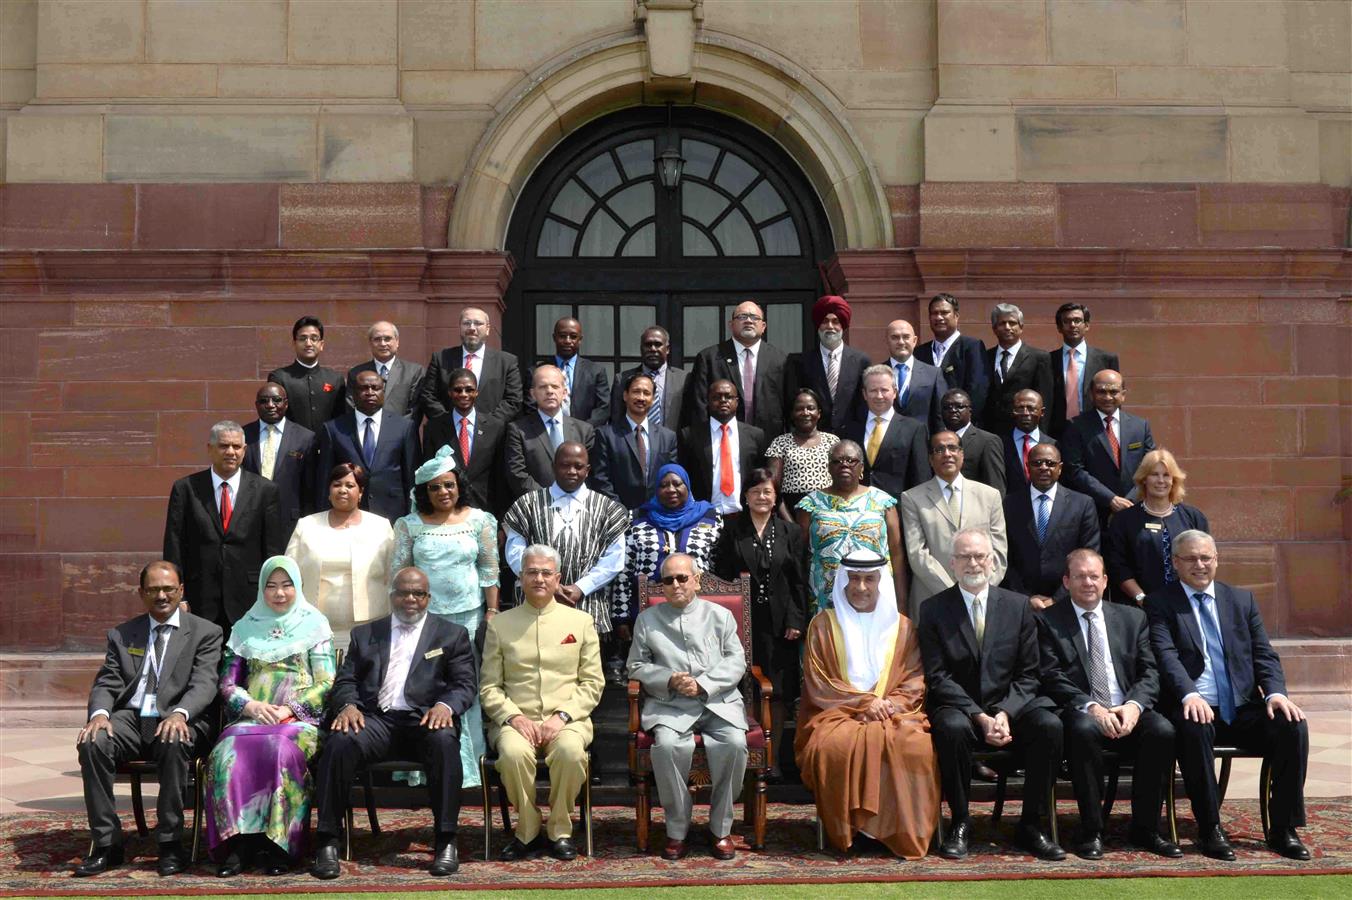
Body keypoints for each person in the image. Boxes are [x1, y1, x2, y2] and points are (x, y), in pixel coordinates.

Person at [1145, 530, 1311, 862]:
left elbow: (1263, 655)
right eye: (1191, 558)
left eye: (1206, 557)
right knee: (1194, 727)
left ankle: (1283, 829)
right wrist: (1189, 694)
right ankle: (1210, 829)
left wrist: (1276, 694)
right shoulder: (1160, 603)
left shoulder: (1241, 600)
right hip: (1194, 704)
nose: (1200, 565)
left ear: (1217, 560)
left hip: (1242, 706)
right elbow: (1166, 657)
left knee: (1293, 725)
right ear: (1176, 563)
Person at [310, 567, 478, 879]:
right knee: (340, 740)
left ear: (428, 598)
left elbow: (465, 685)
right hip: (376, 721)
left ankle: (445, 840)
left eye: (419, 593)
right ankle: (327, 841)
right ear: (392, 596)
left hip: (424, 719)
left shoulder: (451, 635)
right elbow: (345, 680)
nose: (411, 599)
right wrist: (347, 705)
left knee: (444, 742)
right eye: (404, 592)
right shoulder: (366, 634)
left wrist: (446, 706)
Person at [918, 529, 1064, 862]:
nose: (973, 563)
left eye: (980, 556)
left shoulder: (1018, 607)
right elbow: (937, 677)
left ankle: (1032, 824)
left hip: (1010, 706)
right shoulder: (933, 610)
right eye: (965, 557)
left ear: (992, 560)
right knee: (951, 728)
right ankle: (960, 822)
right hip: (960, 707)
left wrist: (1005, 713)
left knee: (1049, 725)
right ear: (952, 563)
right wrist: (980, 717)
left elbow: (1030, 674)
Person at [74, 561, 223, 878]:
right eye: (153, 589)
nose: (162, 596)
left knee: (172, 737)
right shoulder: (124, 634)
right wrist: (99, 715)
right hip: (133, 717)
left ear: (180, 590)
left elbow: (204, 684)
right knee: (94, 741)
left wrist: (181, 713)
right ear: (141, 593)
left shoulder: (205, 632)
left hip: (183, 717)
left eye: (169, 589)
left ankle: (169, 843)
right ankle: (106, 843)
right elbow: (107, 682)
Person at [1037, 549, 1180, 860]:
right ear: (1066, 581)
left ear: (1104, 581)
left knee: (1162, 730)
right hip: (1082, 711)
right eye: (1079, 576)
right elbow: (1051, 676)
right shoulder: (1048, 621)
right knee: (1083, 730)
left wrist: (1134, 706)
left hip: (1126, 708)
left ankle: (1146, 828)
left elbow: (1149, 671)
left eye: (1093, 576)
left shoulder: (1133, 618)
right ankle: (1091, 830)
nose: (1087, 582)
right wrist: (1092, 707)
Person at [796, 551, 940, 859]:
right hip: (835, 715)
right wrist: (865, 703)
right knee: (836, 747)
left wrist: (887, 705)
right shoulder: (822, 625)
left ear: (881, 582)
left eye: (869, 579)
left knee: (915, 748)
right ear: (843, 582)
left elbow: (915, 680)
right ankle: (854, 831)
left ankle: (896, 832)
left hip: (894, 713)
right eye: (854, 579)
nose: (861, 587)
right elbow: (820, 683)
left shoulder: (903, 627)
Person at [205, 556, 335, 877]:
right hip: (251, 720)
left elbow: (328, 682)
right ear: (262, 589)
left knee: (279, 749)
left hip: (298, 722)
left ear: (298, 587)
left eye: (287, 585)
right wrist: (251, 706)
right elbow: (227, 682)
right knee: (225, 753)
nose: (279, 593)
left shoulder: (314, 625)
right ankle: (238, 844)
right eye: (271, 586)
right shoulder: (244, 628)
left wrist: (290, 708)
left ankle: (279, 845)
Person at [480, 544, 605, 861]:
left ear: (558, 578)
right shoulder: (500, 624)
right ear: (520, 577)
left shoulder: (580, 622)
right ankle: (528, 828)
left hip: (567, 719)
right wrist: (513, 717)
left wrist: (562, 716)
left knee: (570, 752)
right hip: (514, 720)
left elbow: (593, 682)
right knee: (511, 754)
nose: (539, 578)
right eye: (531, 572)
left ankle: (560, 829)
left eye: (546, 573)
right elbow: (490, 686)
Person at [628, 552, 749, 861]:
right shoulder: (647, 620)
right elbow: (636, 666)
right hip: (671, 704)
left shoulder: (719, 615)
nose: (676, 584)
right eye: (668, 580)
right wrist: (668, 679)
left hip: (717, 701)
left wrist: (704, 684)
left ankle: (720, 828)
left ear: (697, 580)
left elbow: (737, 661)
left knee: (735, 743)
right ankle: (677, 829)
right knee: (667, 747)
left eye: (683, 578)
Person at [391, 446, 500, 783]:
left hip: (467, 619)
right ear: (424, 492)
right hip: (422, 621)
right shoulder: (409, 525)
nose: (443, 492)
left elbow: (489, 570)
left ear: (459, 485)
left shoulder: (480, 520)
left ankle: (467, 769)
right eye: (435, 487)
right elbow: (399, 573)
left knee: (462, 687)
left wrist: (492, 611)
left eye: (449, 485)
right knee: (426, 688)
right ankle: (422, 771)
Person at [711, 469, 809, 778]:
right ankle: (747, 756)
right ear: (746, 496)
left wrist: (796, 619)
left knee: (777, 692)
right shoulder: (731, 530)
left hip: (780, 625)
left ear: (775, 496)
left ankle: (772, 759)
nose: (762, 497)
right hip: (741, 624)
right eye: (756, 492)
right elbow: (722, 577)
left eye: (767, 492)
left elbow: (798, 581)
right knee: (745, 687)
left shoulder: (790, 532)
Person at [164, 420, 285, 630]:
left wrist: (271, 593)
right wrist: (178, 596)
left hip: (249, 598)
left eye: (236, 446)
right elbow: (174, 545)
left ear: (245, 450)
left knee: (243, 662)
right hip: (199, 597)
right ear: (210, 449)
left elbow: (272, 550)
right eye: (223, 446)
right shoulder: (186, 489)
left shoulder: (266, 491)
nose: (231, 452)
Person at [501, 442, 628, 639]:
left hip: (586, 605)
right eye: (564, 465)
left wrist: (581, 588)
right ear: (554, 466)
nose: (571, 471)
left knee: (585, 667)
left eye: (578, 466)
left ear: (587, 471)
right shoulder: (527, 504)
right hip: (535, 604)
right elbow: (515, 552)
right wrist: (547, 584)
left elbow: (615, 558)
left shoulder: (608, 509)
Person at [611, 463, 722, 679]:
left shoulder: (710, 516)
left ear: (687, 486)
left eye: (677, 483)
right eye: (663, 485)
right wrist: (621, 616)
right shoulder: (637, 518)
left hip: (697, 611)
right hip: (647, 613)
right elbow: (624, 570)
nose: (670, 489)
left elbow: (718, 564)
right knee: (655, 668)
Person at [285, 463, 394, 648]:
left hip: (370, 628)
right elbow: (287, 574)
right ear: (329, 491)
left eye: (350, 486)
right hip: (315, 628)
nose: (342, 490)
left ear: (361, 492)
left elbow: (394, 574)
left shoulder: (380, 526)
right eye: (337, 485)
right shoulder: (307, 525)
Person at [899, 431, 1008, 615]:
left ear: (962, 455)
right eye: (939, 449)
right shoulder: (912, 498)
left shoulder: (990, 496)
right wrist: (955, 595)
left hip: (981, 600)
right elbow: (917, 553)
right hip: (932, 599)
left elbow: (998, 551)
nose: (947, 454)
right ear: (930, 459)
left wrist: (979, 589)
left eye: (952, 448)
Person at [796, 440, 907, 613]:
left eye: (851, 460)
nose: (844, 465)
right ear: (829, 468)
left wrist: (902, 604)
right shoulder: (811, 504)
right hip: (826, 599)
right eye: (837, 461)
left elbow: (897, 555)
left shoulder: (882, 502)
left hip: (875, 597)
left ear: (861, 467)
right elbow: (799, 556)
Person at [1106, 448, 1209, 605]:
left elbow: (1205, 561)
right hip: (1139, 608)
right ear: (1144, 479)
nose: (1161, 480)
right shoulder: (1124, 520)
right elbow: (1117, 566)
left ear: (1174, 480)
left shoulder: (1193, 517)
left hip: (1187, 606)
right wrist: (1142, 598)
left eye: (1166, 475)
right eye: (1154, 474)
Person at [1002, 444, 1100, 609]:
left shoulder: (1082, 504)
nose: (1043, 468)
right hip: (1021, 602)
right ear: (1027, 466)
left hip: (1068, 601)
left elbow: (1090, 555)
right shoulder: (1009, 504)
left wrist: (1057, 598)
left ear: (1060, 468)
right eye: (1037, 463)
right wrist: (1025, 598)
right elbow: (1005, 556)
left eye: (1050, 463)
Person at [316, 370, 420, 523]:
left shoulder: (404, 427)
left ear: (383, 392)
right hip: (347, 516)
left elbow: (411, 477)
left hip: (393, 514)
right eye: (363, 388)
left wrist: (412, 517)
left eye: (375, 388)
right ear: (352, 393)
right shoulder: (333, 429)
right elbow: (325, 478)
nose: (370, 392)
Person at [1061, 369, 1156, 532]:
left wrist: (1129, 500)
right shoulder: (1076, 426)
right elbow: (1075, 470)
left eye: (1114, 392)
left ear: (1123, 394)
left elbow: (1150, 466)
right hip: (1095, 512)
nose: (1107, 397)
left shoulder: (1140, 426)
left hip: (1135, 508)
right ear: (1091, 394)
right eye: (1101, 392)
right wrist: (1110, 499)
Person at [686, 300, 792, 438]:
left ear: (763, 326)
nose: (749, 321)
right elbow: (699, 405)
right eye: (742, 317)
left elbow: (788, 404)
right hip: (722, 439)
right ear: (731, 324)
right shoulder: (709, 358)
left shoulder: (780, 359)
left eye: (754, 317)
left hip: (769, 441)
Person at [420, 367, 510, 516]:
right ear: (449, 392)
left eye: (469, 390)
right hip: (447, 513)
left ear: (476, 392)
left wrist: (502, 520)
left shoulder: (496, 427)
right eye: (458, 390)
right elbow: (430, 474)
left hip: (486, 510)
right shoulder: (434, 427)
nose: (463, 394)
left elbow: (501, 477)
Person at [677, 379, 768, 518]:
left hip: (744, 516)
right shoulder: (690, 435)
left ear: (737, 402)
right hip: (703, 516)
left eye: (729, 397)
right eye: (717, 397)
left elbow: (761, 477)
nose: (723, 400)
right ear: (708, 401)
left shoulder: (756, 435)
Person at [505, 364, 596, 499]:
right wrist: (546, 499)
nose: (549, 391)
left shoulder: (584, 430)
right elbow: (517, 474)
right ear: (533, 394)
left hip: (577, 506)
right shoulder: (518, 430)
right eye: (542, 387)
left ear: (564, 392)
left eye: (555, 386)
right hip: (536, 506)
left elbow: (590, 472)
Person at [419, 306, 524, 422]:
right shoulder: (441, 358)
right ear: (460, 328)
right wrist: (449, 422)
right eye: (466, 323)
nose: (472, 328)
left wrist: (489, 425)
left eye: (478, 323)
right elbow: (428, 396)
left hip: (494, 435)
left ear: (488, 329)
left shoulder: (506, 362)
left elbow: (513, 400)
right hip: (448, 433)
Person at [592, 370, 677, 510]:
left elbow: (671, 477)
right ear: (625, 395)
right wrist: (620, 510)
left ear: (653, 398)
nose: (641, 397)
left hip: (658, 514)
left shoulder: (668, 437)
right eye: (636, 391)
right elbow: (601, 479)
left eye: (647, 393)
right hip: (617, 515)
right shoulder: (605, 434)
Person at [243, 382, 317, 541]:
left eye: (276, 400)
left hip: (291, 523)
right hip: (248, 522)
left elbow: (310, 488)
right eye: (264, 401)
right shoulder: (243, 435)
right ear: (256, 405)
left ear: (286, 403)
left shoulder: (305, 437)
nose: (270, 405)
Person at [847, 364, 929, 499]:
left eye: (884, 390)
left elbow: (921, 477)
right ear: (864, 394)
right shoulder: (851, 429)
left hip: (897, 510)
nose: (879, 396)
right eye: (873, 390)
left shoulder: (914, 429)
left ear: (894, 392)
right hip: (857, 510)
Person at [792, 295, 869, 436]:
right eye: (825, 321)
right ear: (818, 325)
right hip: (812, 440)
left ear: (843, 325)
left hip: (851, 439)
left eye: (836, 321)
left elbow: (864, 403)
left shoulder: (861, 361)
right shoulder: (800, 363)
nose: (830, 327)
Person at [912, 294, 988, 425]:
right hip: (926, 427)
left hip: (961, 426)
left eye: (944, 313)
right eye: (934, 313)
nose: (939, 317)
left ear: (956, 316)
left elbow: (978, 390)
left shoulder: (972, 347)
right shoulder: (919, 352)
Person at [764, 387, 840, 517]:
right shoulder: (780, 443)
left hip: (829, 512)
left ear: (819, 413)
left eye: (810, 408)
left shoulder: (833, 442)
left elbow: (841, 482)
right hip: (791, 512)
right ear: (792, 414)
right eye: (799, 409)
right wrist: (790, 524)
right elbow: (772, 487)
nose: (805, 413)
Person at [1048, 303, 1120, 438]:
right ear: (1059, 327)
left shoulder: (1106, 359)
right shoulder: (1047, 360)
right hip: (1058, 432)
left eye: (1077, 320)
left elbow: (1116, 399)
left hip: (1096, 429)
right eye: (1067, 321)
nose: (1073, 325)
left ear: (1087, 325)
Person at [982, 303, 1053, 437]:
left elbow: (1045, 399)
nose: (1007, 327)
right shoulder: (985, 356)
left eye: (1012, 323)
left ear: (1021, 327)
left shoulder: (1039, 357)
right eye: (1002, 323)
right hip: (990, 432)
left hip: (1024, 431)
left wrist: (1041, 436)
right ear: (994, 328)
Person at [267, 316, 346, 433]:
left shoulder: (335, 379)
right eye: (303, 338)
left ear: (321, 344)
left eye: (314, 338)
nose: (308, 343)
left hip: (327, 447)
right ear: (294, 343)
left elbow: (341, 418)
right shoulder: (279, 377)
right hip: (291, 447)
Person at [528, 316, 610, 427]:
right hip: (545, 434)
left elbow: (603, 408)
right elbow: (530, 405)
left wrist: (582, 432)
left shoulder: (595, 371)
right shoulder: (536, 372)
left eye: (573, 337)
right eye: (562, 336)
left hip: (586, 438)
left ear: (580, 340)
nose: (567, 341)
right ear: (554, 338)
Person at [609, 325, 687, 430]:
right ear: (641, 348)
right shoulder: (622, 379)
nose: (653, 349)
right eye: (648, 345)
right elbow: (616, 419)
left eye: (658, 344)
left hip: (674, 444)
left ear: (667, 349)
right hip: (635, 442)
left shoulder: (684, 379)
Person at [346, 320, 426, 419]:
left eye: (388, 339)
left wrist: (397, 431)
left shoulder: (414, 372)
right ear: (370, 343)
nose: (383, 344)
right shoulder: (356, 373)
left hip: (402, 432)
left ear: (397, 342)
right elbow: (351, 406)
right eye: (377, 339)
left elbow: (415, 410)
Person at [885, 317, 948, 436]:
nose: (901, 342)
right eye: (895, 337)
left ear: (914, 341)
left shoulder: (933, 374)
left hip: (922, 444)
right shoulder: (876, 374)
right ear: (887, 341)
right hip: (887, 445)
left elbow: (940, 417)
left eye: (906, 337)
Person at [941, 388, 1006, 496]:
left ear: (970, 411)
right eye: (947, 407)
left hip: (975, 507)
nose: (953, 410)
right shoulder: (934, 441)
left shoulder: (988, 441)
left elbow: (996, 486)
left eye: (959, 406)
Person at [1002, 389, 1056, 494]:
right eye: (1020, 408)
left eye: (1031, 408)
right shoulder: (999, 444)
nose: (1025, 413)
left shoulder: (1053, 445)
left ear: (1042, 412)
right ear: (1013, 411)